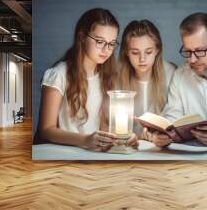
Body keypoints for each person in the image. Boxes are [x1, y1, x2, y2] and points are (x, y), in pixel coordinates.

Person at [37, 8, 138, 152]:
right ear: (82, 36)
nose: (106, 50)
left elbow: (104, 126)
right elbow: (46, 130)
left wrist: (124, 136)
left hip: (93, 154)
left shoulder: (108, 76)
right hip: (64, 154)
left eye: (111, 43)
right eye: (99, 41)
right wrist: (85, 140)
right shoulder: (59, 74)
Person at [145, 12, 207, 147]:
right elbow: (173, 116)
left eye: (200, 51)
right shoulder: (180, 75)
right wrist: (165, 134)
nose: (192, 59)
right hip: (190, 158)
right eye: (188, 51)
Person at [117, 19, 176, 137]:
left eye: (148, 52)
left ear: (157, 50)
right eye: (135, 52)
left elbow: (175, 115)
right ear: (126, 52)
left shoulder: (172, 73)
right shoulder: (116, 77)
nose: (142, 59)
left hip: (161, 148)